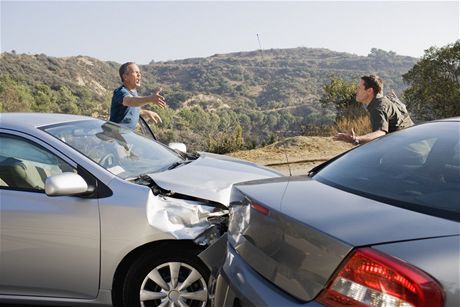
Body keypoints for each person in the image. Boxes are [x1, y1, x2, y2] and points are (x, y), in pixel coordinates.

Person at [334, 75, 414, 145]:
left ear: (369, 91)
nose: (356, 91)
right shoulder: (387, 100)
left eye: (359, 88)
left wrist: (355, 139)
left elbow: (380, 133)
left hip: (406, 152)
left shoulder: (378, 107)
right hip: (414, 144)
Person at [110, 62, 166, 129]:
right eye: (136, 72)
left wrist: (146, 112)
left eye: (139, 72)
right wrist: (150, 99)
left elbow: (131, 110)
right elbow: (130, 101)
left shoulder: (134, 92)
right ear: (125, 77)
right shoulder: (120, 92)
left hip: (125, 136)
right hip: (114, 136)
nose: (139, 75)